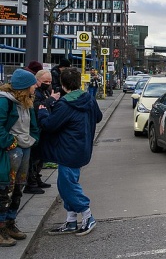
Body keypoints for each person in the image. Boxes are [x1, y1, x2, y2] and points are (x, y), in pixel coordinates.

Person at [38, 68, 103, 236]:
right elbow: (98, 117)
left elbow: (50, 125)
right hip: (83, 147)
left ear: (62, 84)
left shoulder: (65, 104)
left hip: (68, 149)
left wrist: (43, 110)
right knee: (67, 183)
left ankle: (87, 215)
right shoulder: (88, 98)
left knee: (66, 185)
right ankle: (71, 220)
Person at [0, 69, 40, 247]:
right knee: (5, 189)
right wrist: (10, 143)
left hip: (25, 147)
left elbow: (32, 125)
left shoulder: (27, 101)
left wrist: (34, 138)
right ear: (24, 87)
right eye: (33, 83)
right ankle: (1, 228)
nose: (36, 86)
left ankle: (10, 223)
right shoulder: (5, 102)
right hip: (11, 150)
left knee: (19, 187)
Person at [24, 70, 57, 194]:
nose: (48, 84)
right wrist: (51, 100)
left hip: (42, 128)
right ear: (37, 81)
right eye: (45, 81)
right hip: (36, 128)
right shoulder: (35, 93)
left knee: (40, 157)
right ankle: (31, 182)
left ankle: (36, 178)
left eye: (49, 81)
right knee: (34, 157)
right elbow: (37, 107)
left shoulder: (44, 91)